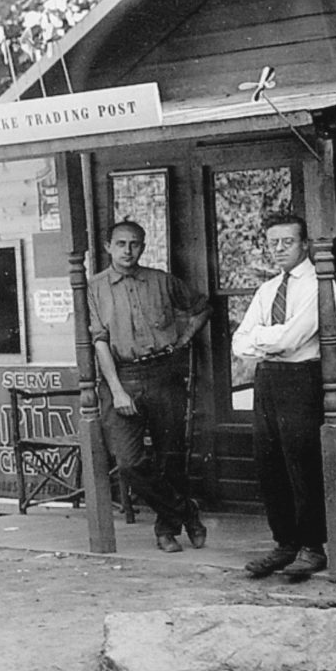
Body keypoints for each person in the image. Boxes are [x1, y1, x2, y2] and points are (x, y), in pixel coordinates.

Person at [86, 220, 210, 553]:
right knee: (129, 462)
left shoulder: (161, 281)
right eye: (121, 244)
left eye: (135, 244)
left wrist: (183, 339)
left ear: (143, 247)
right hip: (121, 377)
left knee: (171, 458)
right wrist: (117, 390)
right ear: (108, 246)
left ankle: (165, 530)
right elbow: (99, 341)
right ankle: (187, 512)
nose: (128, 251)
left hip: (163, 376)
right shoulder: (94, 288)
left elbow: (201, 308)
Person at [231, 212, 331, 580]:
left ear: (304, 243)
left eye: (287, 242)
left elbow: (294, 339)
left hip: (301, 380)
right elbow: (239, 342)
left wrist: (267, 339)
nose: (278, 249)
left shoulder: (321, 285)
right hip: (267, 380)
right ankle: (285, 544)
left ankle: (312, 547)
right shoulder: (267, 290)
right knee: (269, 463)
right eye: (273, 242)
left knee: (301, 462)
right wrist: (273, 341)